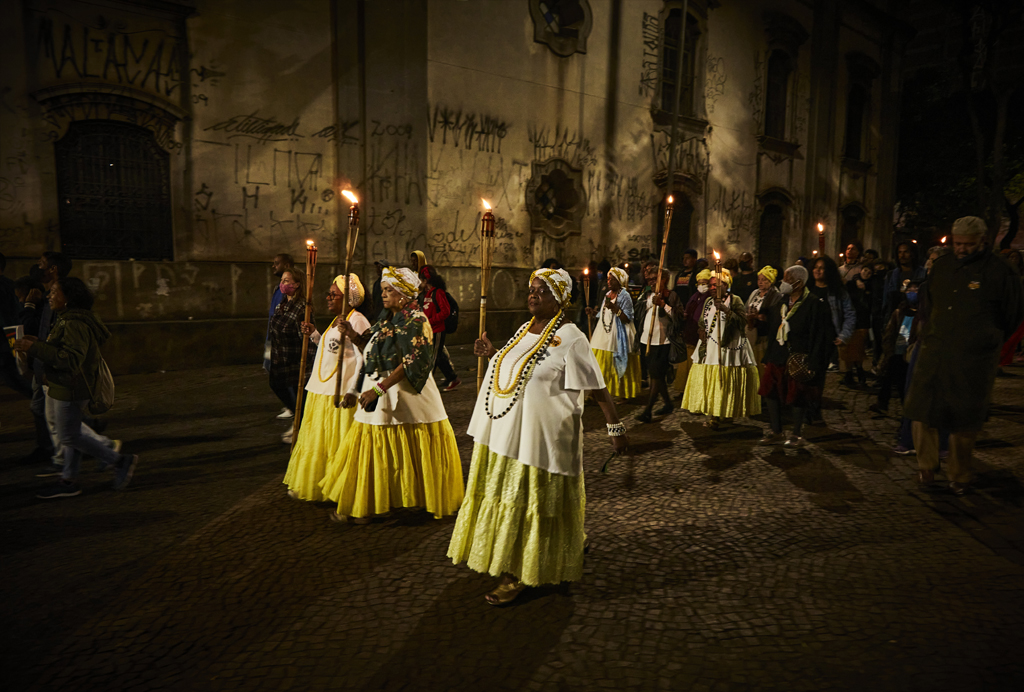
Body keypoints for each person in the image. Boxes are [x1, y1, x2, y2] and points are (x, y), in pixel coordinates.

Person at [448, 267, 628, 605]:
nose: (532, 295)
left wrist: (615, 428)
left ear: (559, 298)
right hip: (507, 437)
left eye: (542, 290)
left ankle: (517, 573)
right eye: (531, 289)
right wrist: (491, 354)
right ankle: (563, 543)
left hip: (542, 441)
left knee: (533, 506)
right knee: (513, 503)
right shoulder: (522, 330)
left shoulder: (572, 337)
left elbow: (598, 388)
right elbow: (515, 365)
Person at [320, 266, 464, 523]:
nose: (383, 294)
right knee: (372, 449)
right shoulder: (386, 319)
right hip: (379, 394)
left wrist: (377, 389)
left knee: (404, 449)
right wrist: (352, 335)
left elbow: (412, 361)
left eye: (389, 290)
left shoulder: (417, 320)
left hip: (408, 396)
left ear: (405, 293)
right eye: (383, 289)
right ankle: (369, 504)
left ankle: (407, 500)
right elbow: (371, 350)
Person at [905, 216, 1024, 496]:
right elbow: (930, 302)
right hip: (935, 351)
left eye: (969, 244)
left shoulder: (1000, 271)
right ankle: (927, 465)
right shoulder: (943, 266)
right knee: (921, 409)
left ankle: (959, 475)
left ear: (983, 241)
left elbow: (1012, 314)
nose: (962, 249)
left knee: (964, 418)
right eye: (958, 243)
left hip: (973, 359)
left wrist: (986, 340)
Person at [13, 277, 138, 498]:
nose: (49, 296)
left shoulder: (74, 323)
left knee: (69, 436)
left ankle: (118, 461)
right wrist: (38, 344)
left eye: (54, 292)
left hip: (70, 386)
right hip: (62, 384)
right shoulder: (67, 319)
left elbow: (70, 359)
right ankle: (69, 480)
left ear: (68, 298)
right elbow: (63, 348)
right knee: (70, 432)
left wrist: (35, 349)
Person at [283, 274, 371, 501]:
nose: (328, 298)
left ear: (348, 299)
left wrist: (353, 389)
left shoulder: (358, 320)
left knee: (336, 442)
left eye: (334, 294)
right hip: (321, 390)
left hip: (340, 393)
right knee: (317, 440)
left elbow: (364, 356)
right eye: (328, 294)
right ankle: (314, 481)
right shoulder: (335, 320)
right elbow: (330, 349)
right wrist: (313, 334)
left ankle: (340, 487)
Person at [757, 266, 830, 446]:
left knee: (798, 395)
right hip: (778, 354)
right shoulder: (781, 302)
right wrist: (768, 356)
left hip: (799, 356)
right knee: (770, 391)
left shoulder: (814, 304)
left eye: (787, 279)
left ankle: (796, 434)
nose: (784, 282)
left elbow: (819, 335)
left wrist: (814, 361)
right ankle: (776, 432)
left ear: (799, 282)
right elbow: (775, 330)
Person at [680, 268, 761, 428]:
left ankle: (726, 411)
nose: (711, 288)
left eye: (714, 285)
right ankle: (714, 414)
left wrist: (725, 310)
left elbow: (741, 321)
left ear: (725, 285)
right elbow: (703, 320)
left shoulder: (735, 299)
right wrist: (701, 330)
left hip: (729, 347)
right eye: (710, 285)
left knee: (725, 380)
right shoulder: (708, 302)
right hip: (710, 347)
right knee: (712, 380)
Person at [268, 267, 312, 444]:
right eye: (282, 280)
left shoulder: (302, 307)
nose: (282, 284)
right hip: (280, 358)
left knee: (298, 395)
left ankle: (301, 427)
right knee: (276, 384)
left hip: (294, 360)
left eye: (287, 281)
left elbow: (306, 335)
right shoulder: (282, 304)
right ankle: (299, 419)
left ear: (297, 285)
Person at [869, 279, 921, 417]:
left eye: (916, 290)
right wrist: (888, 350)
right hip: (897, 352)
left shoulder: (923, 314)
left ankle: (907, 414)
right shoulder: (900, 312)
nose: (912, 293)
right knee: (890, 379)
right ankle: (883, 404)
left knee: (904, 385)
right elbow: (890, 332)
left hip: (911, 354)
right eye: (910, 290)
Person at [637, 264, 682, 423]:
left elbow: (679, 317)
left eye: (654, 279)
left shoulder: (671, 295)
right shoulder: (647, 294)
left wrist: (663, 305)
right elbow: (638, 310)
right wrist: (650, 303)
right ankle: (668, 404)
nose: (651, 282)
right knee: (657, 376)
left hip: (662, 342)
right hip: (646, 340)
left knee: (655, 377)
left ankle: (648, 410)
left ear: (664, 280)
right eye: (649, 279)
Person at [588, 266, 640, 401]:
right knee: (598, 362)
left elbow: (627, 318)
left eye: (612, 279)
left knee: (615, 364)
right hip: (603, 333)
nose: (609, 282)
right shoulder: (607, 294)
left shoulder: (625, 296)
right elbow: (603, 313)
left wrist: (615, 308)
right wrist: (593, 314)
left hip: (618, 335)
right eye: (608, 279)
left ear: (619, 281)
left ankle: (620, 392)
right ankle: (597, 393)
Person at [419, 265, 461, 391]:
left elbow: (445, 312)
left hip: (437, 330)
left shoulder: (438, 293)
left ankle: (428, 384)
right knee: (436, 356)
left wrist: (430, 321)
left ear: (426, 281)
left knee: (434, 357)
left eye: (421, 280)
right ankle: (452, 378)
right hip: (430, 330)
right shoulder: (427, 294)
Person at [673, 268, 713, 394]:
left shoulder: (710, 298)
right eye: (699, 283)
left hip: (701, 335)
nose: (701, 286)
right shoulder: (695, 296)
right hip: (690, 332)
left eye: (704, 283)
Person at [266, 253, 295, 420]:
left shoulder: (290, 295)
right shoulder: (278, 289)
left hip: (284, 341)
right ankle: (289, 405)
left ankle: (294, 407)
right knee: (273, 372)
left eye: (277, 263)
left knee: (282, 377)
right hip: (274, 336)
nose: (273, 266)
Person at [744, 266, 783, 376]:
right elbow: (746, 307)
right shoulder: (754, 293)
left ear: (771, 281)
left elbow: (775, 316)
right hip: (751, 331)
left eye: (764, 280)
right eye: (759, 280)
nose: (760, 282)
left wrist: (761, 317)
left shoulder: (776, 296)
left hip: (764, 336)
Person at [841, 264, 874, 386]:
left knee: (858, 347)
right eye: (865, 270)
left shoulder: (871, 285)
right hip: (850, 319)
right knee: (847, 347)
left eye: (869, 272)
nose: (866, 273)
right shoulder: (852, 284)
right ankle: (849, 374)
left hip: (862, 321)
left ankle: (859, 372)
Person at [882, 242, 927, 319]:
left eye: (906, 252)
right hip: (895, 316)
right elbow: (886, 299)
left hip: (916, 316)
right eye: (900, 252)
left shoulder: (923, 273)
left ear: (912, 254)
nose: (902, 256)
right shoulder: (891, 275)